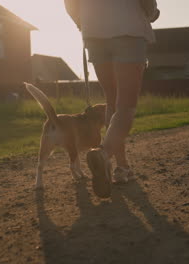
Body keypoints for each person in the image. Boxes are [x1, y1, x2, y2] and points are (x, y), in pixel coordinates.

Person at [64, 0, 160, 189]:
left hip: (93, 31)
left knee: (112, 100)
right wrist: (152, 13)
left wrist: (81, 22)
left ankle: (122, 167)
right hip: (128, 29)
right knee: (126, 105)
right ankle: (103, 154)